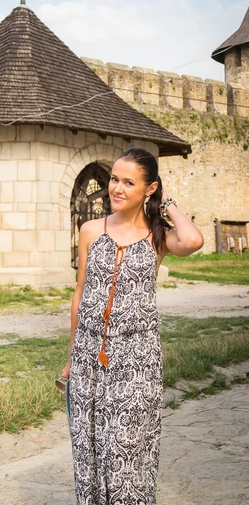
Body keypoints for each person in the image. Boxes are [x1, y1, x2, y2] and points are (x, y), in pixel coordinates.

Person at [61, 147, 204, 505]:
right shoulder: (91, 230)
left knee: (125, 453)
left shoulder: (158, 236)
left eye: (128, 182)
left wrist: (167, 201)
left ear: (149, 189)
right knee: (89, 453)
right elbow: (79, 296)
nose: (117, 188)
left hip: (137, 361)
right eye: (114, 179)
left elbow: (192, 240)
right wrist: (70, 358)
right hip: (88, 359)